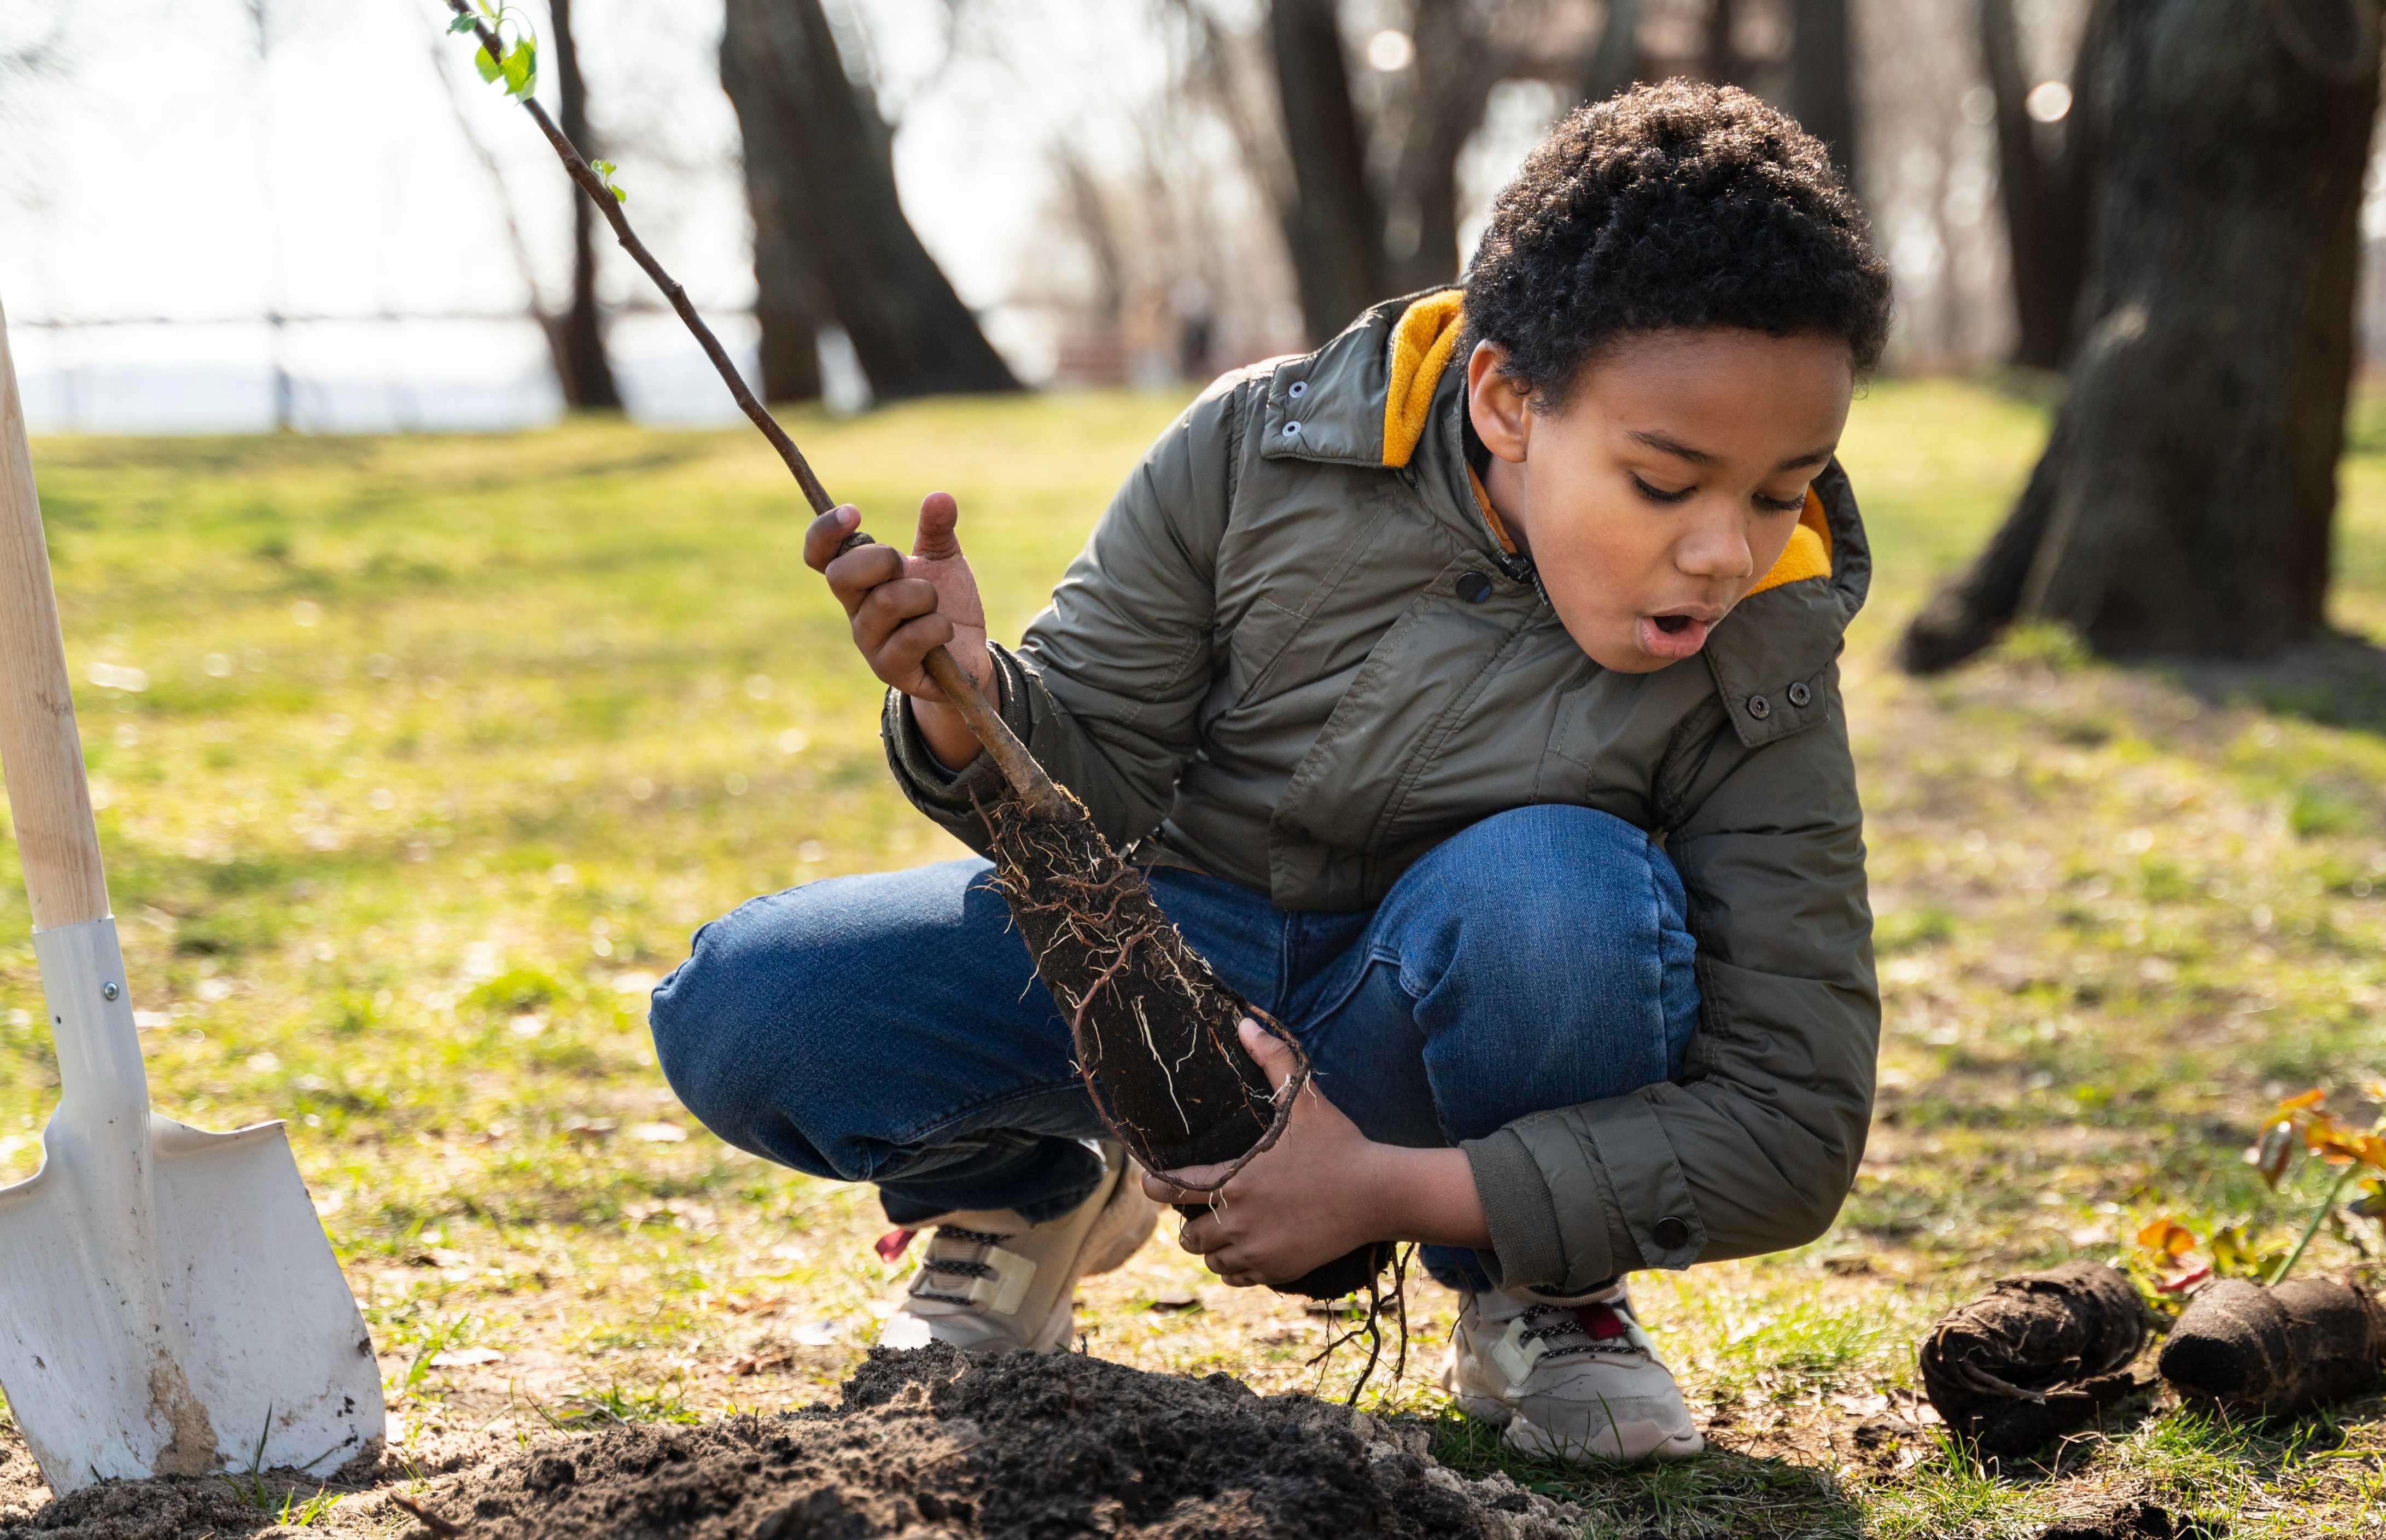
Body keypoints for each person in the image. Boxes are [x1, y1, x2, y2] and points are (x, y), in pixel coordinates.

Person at [651, 80, 1887, 1464]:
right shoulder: (1257, 446)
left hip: (1440, 1035)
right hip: (1164, 977)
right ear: (1507, 400)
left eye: (1779, 490)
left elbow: (1791, 1122)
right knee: (750, 1003)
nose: (1724, 550)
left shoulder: (1765, 636)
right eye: (1665, 483)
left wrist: (1381, 1187)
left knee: (1561, 889)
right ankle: (1026, 1195)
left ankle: (1544, 1294)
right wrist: (968, 700)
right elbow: (1095, 781)